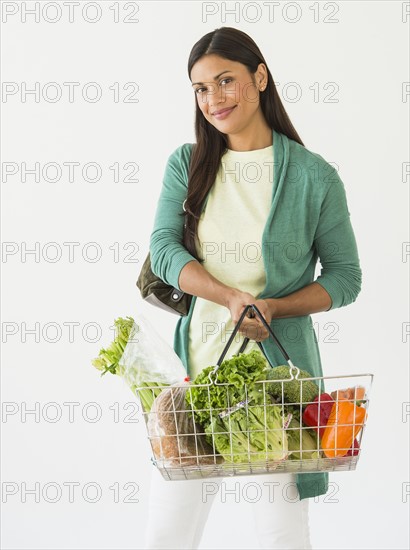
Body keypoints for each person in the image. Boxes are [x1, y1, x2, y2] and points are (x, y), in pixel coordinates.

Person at [145, 26, 362, 549]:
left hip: (278, 386)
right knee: (168, 533)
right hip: (197, 378)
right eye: (200, 88)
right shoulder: (188, 163)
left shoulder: (315, 177)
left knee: (280, 534)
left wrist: (274, 306)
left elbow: (344, 277)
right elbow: (164, 250)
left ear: (260, 77)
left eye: (226, 81)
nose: (213, 100)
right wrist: (229, 297)